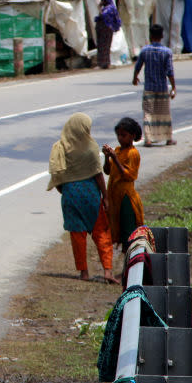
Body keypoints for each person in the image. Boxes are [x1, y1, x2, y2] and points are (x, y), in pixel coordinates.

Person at [47, 112, 118, 284]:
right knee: (101, 231)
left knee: (77, 235)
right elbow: (98, 175)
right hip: (91, 195)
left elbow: (57, 175)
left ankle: (84, 272)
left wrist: (66, 192)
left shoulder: (60, 147)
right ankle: (107, 271)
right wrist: (106, 198)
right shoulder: (90, 147)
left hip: (70, 194)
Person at [102, 117, 145, 252]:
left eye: (123, 135)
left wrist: (115, 158)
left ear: (132, 136)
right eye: (119, 135)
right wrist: (107, 157)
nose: (120, 138)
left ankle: (128, 269)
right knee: (119, 230)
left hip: (126, 197)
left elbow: (129, 175)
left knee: (128, 232)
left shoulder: (133, 153)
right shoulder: (118, 150)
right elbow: (107, 171)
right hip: (115, 196)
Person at [132, 24, 176, 146]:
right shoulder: (167, 52)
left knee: (148, 114)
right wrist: (173, 87)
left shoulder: (145, 51)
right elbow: (170, 71)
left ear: (150, 36)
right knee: (164, 114)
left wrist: (135, 78)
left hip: (149, 88)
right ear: (162, 36)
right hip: (162, 88)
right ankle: (168, 138)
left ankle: (149, 139)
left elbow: (138, 66)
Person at [94, 0, 122, 69]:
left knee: (104, 46)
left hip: (106, 29)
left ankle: (104, 63)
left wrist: (99, 8)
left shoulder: (109, 8)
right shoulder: (107, 8)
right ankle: (103, 63)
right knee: (102, 46)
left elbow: (103, 16)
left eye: (103, 1)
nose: (101, 2)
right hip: (103, 29)